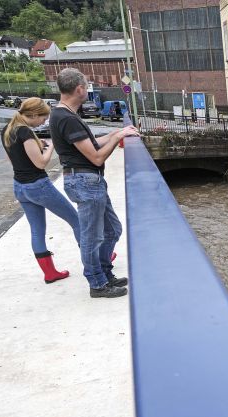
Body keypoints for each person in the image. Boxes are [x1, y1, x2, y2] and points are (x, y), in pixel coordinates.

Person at [50, 68, 139, 298]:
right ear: (79, 88)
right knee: (92, 236)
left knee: (112, 230)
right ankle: (97, 284)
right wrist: (118, 138)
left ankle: (105, 273)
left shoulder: (64, 114)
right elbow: (97, 156)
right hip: (85, 181)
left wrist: (114, 134)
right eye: (86, 85)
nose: (87, 89)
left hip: (88, 180)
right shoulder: (67, 118)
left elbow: (89, 144)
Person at [1, 97, 81, 283]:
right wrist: (52, 145)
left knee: (37, 231)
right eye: (43, 118)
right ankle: (99, 259)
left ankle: (50, 273)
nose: (44, 122)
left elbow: (12, 160)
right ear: (34, 114)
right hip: (38, 186)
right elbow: (41, 163)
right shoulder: (25, 133)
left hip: (20, 187)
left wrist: (38, 146)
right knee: (76, 220)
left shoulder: (7, 130)